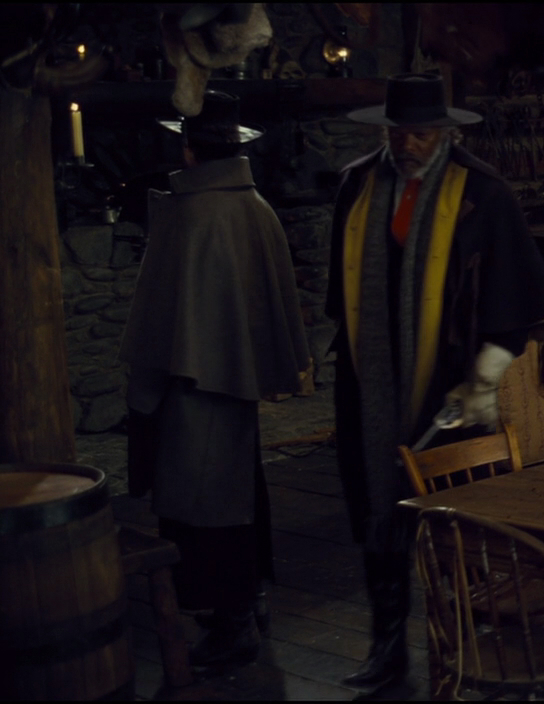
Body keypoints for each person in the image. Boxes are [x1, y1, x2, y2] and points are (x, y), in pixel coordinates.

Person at [325, 73, 544, 691]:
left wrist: (485, 376)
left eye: (421, 133)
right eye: (398, 132)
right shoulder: (358, 184)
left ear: (446, 134)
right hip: (372, 383)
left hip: (452, 385)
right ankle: (386, 648)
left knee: (456, 523)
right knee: (378, 511)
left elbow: (516, 292)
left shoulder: (482, 193)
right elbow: (341, 294)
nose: (408, 144)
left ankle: (468, 652)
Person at [121, 90, 311, 670]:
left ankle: (233, 621)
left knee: (204, 502)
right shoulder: (255, 208)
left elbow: (159, 316)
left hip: (191, 385)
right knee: (232, 493)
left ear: (189, 149)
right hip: (230, 382)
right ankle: (246, 604)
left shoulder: (192, 214)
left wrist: (146, 386)